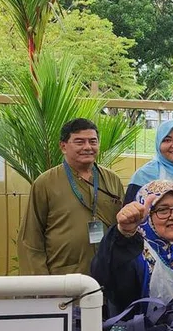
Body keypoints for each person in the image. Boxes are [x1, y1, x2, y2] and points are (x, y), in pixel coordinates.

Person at [18, 118, 124, 276]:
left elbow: (124, 227)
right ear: (63, 146)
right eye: (79, 142)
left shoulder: (112, 180)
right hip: (63, 277)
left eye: (93, 141)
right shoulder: (45, 183)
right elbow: (31, 238)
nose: (87, 147)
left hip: (109, 274)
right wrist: (41, 282)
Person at [91, 180, 173, 318]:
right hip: (141, 330)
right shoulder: (134, 249)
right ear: (147, 215)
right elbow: (105, 277)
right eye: (162, 210)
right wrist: (123, 233)